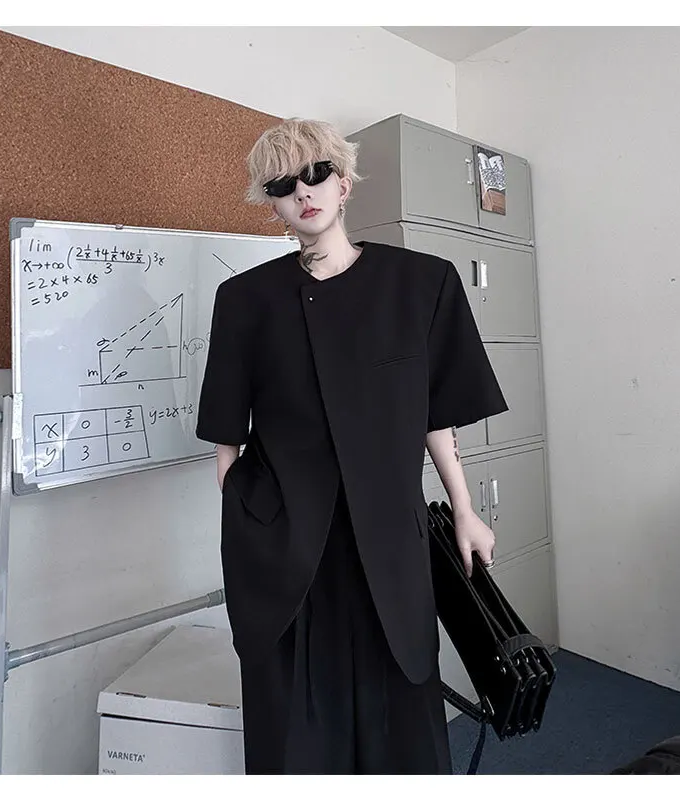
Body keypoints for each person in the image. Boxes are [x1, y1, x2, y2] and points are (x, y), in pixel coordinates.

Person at [195, 117, 509, 774]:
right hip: (286, 542)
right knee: (295, 724)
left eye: (316, 174)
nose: (302, 192)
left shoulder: (421, 282)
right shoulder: (245, 300)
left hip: (389, 535)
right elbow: (226, 435)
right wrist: (245, 512)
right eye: (283, 184)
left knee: (402, 709)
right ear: (272, 203)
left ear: (343, 183)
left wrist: (465, 508)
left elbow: (435, 413)